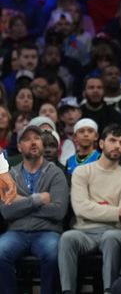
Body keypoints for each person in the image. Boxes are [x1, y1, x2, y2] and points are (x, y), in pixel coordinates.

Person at [59, 124, 121, 294]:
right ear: (101, 144)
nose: (117, 146)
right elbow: (80, 209)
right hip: (83, 232)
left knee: (110, 237)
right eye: (112, 140)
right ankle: (67, 291)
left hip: (114, 231)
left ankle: (110, 291)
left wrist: (94, 209)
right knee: (67, 237)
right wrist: (114, 211)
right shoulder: (81, 172)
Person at [0, 124, 69, 294]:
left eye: (37, 138)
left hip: (47, 232)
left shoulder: (55, 173)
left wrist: (21, 203)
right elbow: (6, 211)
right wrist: (38, 199)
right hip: (16, 232)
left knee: (53, 255)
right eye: (27, 139)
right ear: (19, 146)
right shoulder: (10, 175)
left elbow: (58, 211)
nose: (33, 142)